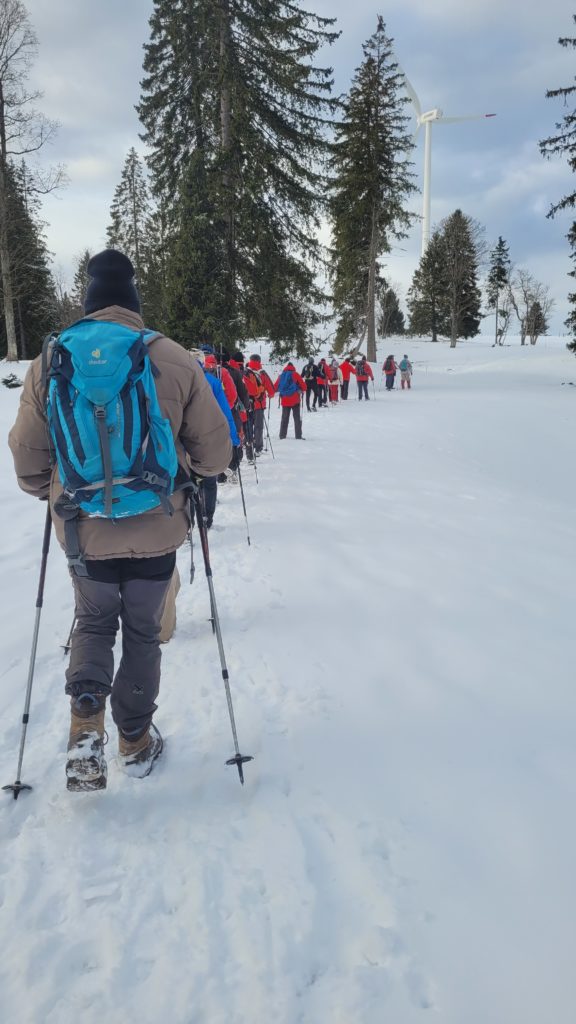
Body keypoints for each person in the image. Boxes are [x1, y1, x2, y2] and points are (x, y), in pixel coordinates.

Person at [8, 249, 232, 792]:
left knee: (92, 623)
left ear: (88, 302)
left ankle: (86, 721)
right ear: (133, 301)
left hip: (82, 528)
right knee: (142, 633)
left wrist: (48, 490)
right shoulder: (171, 356)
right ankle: (133, 738)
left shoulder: (51, 358)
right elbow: (214, 454)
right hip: (156, 525)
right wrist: (194, 473)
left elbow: (28, 458)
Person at [245, 354, 275, 454]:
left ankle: (248, 445)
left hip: (247, 404)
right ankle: (258, 448)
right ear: (259, 361)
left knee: (248, 426)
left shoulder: (245, 372)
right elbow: (271, 391)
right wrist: (269, 394)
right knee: (258, 427)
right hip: (259, 404)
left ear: (250, 360)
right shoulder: (262, 373)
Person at [275, 362, 306, 439]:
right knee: (297, 418)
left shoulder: (281, 376)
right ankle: (298, 436)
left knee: (284, 418)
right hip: (295, 400)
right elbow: (304, 387)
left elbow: (275, 387)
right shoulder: (296, 374)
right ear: (293, 367)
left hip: (285, 400)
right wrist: (299, 389)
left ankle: (282, 435)